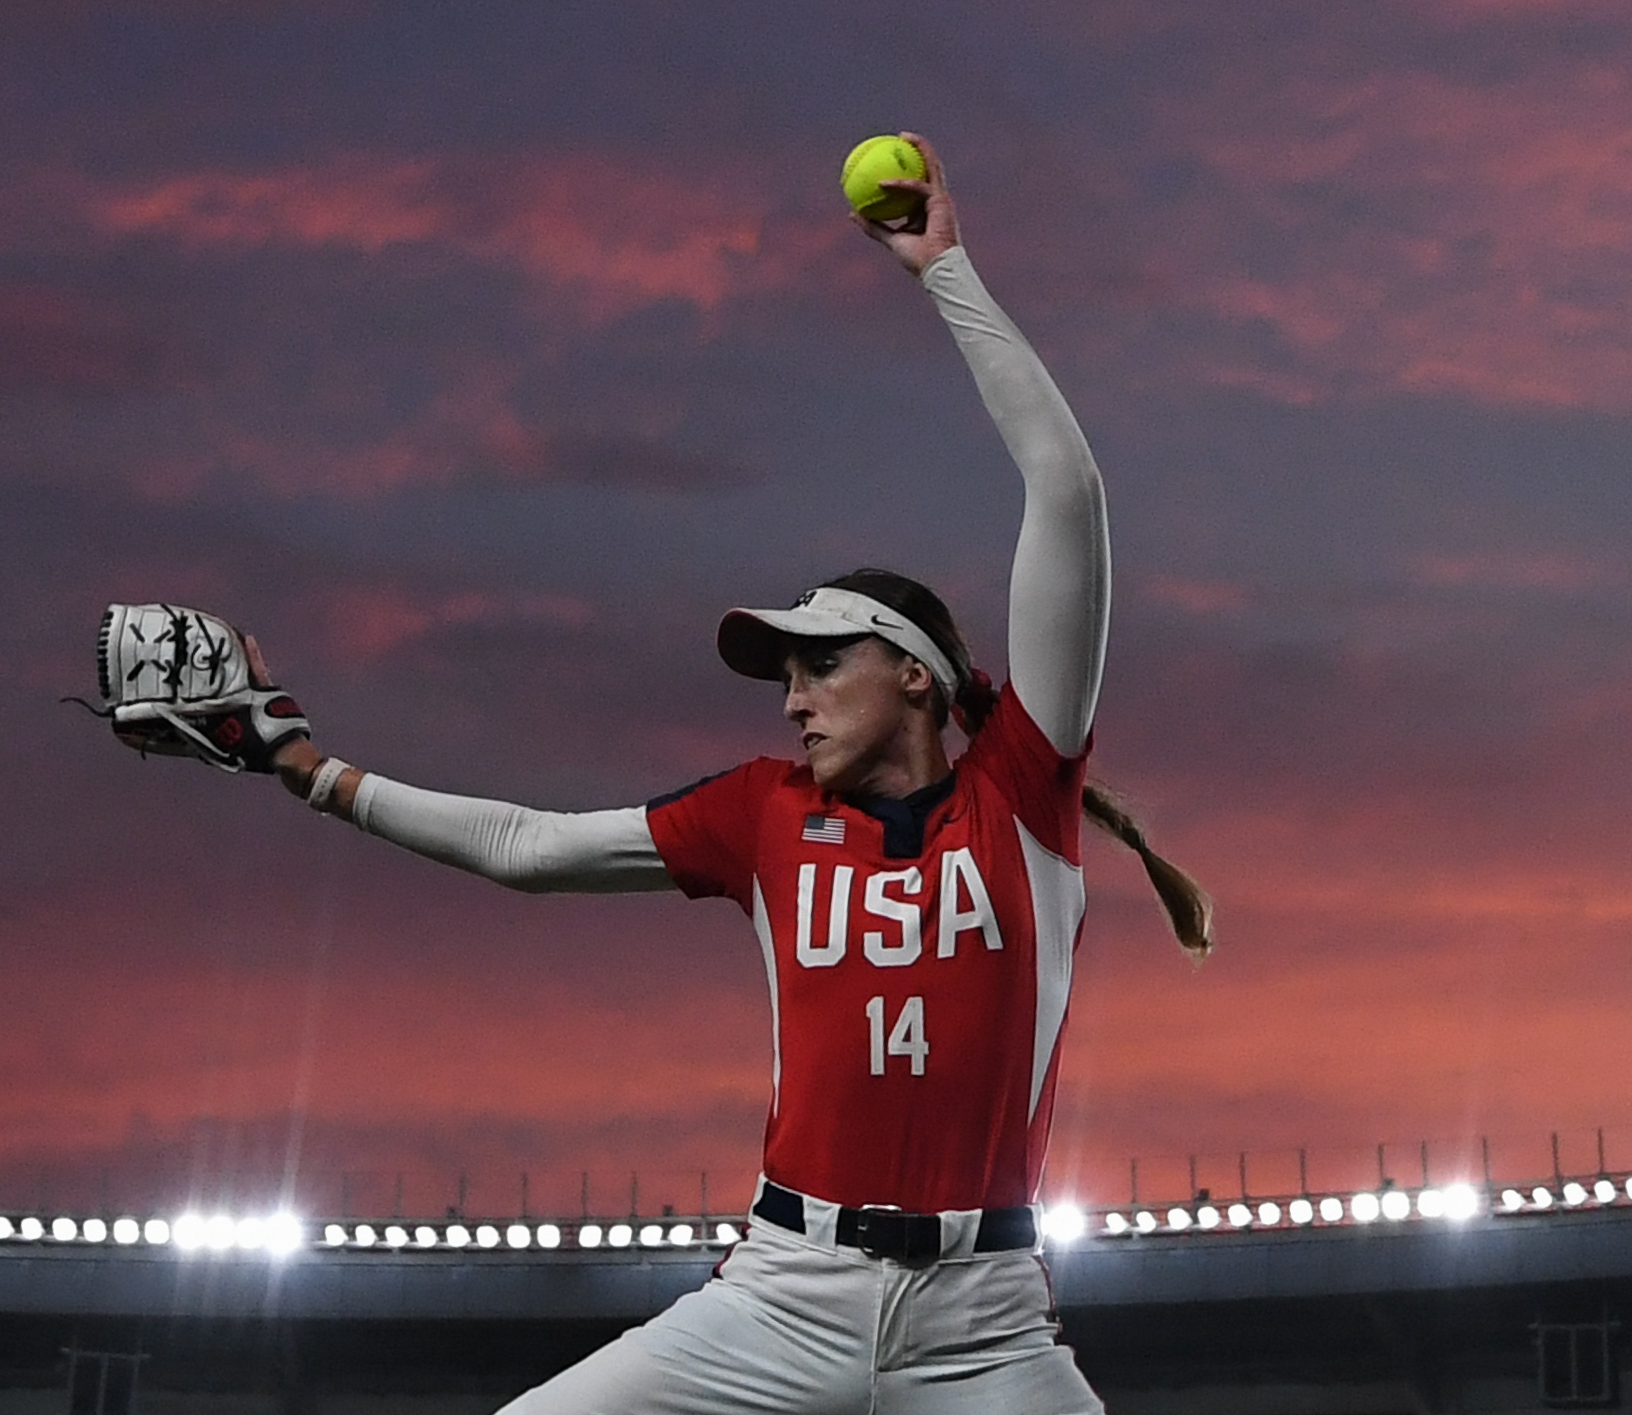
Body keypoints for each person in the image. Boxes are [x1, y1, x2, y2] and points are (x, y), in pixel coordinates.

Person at [116, 134, 1208, 1415]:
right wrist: (305, 766)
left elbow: (1065, 490)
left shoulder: (1021, 793)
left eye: (819, 662)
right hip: (783, 1296)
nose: (792, 696)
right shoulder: (762, 815)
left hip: (988, 1332)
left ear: (914, 671)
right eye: (781, 673)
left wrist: (945, 273)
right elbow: (528, 846)